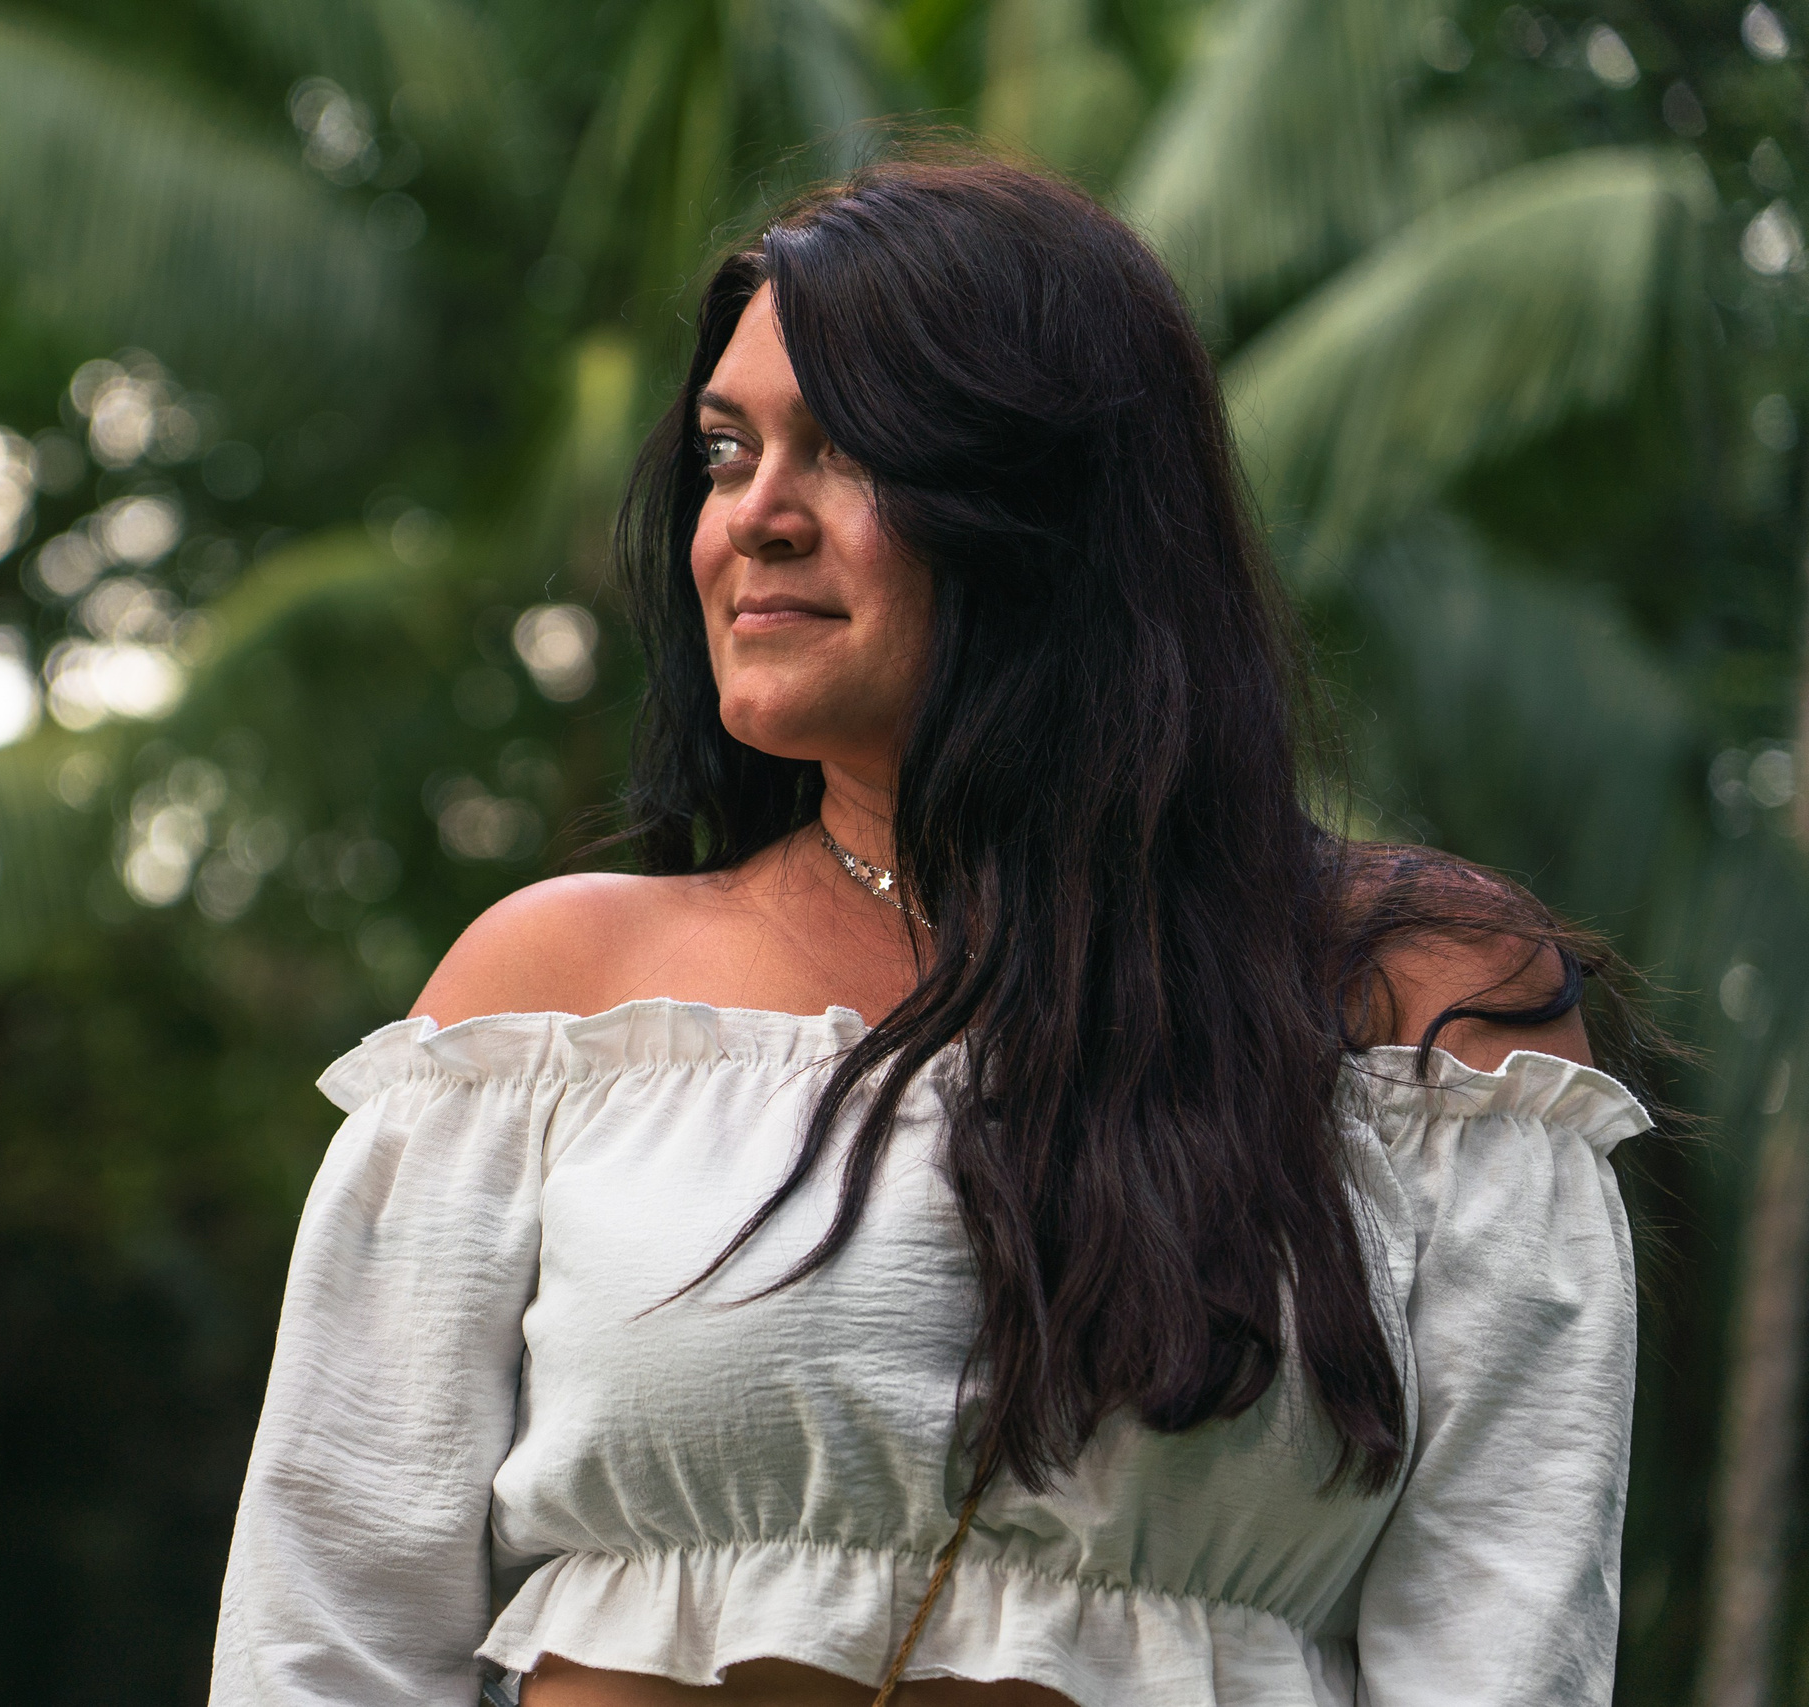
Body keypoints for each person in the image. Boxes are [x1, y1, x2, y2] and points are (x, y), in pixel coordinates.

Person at [208, 153, 1651, 1707]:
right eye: (724, 449)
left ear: (1045, 503)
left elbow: (1504, 1648)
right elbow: (330, 1629)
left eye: (842, 449)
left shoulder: (1413, 995)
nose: (751, 519)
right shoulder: (558, 1001)